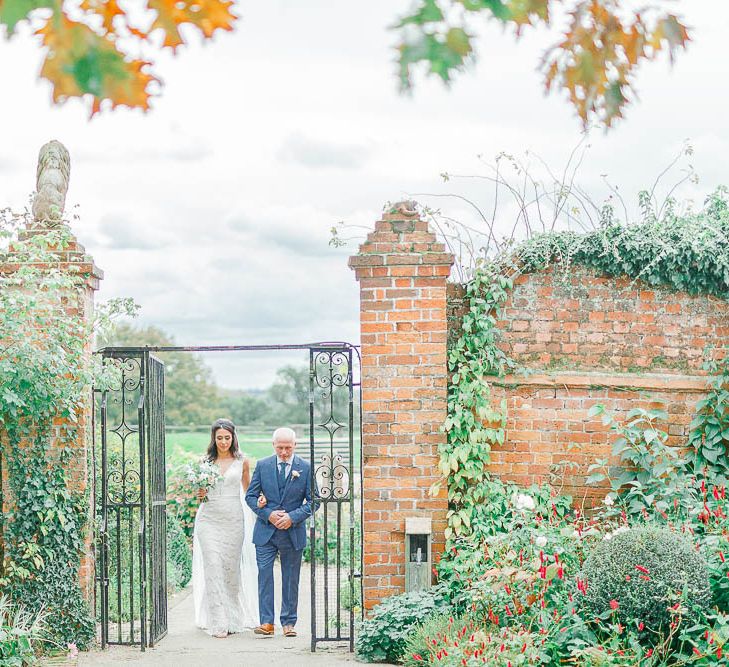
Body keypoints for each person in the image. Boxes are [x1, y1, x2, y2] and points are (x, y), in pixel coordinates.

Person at [192, 418, 259, 637]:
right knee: (212, 566)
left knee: (230, 571)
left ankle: (232, 617)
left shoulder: (242, 461)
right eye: (219, 438)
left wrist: (261, 503)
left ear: (233, 437)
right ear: (213, 438)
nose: (223, 442)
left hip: (233, 520)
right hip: (208, 520)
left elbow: (248, 491)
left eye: (227, 438)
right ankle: (218, 621)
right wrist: (199, 494)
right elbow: (200, 494)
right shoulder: (205, 461)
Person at [245, 427, 312, 637]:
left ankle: (289, 622)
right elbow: (250, 496)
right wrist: (268, 514)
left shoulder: (306, 467)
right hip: (265, 532)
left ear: (295, 445)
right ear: (273, 445)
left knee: (291, 578)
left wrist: (292, 517)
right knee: (265, 576)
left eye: (288, 448)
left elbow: (313, 501)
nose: (284, 452)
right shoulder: (263, 465)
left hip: (293, 533)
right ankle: (266, 622)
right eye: (280, 447)